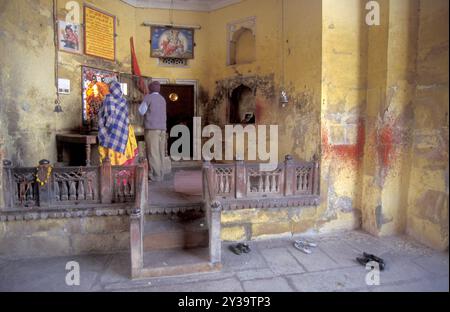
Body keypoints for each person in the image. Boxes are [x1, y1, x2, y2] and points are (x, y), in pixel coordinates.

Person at [98, 80, 138, 166]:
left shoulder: (108, 98)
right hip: (123, 132)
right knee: (123, 156)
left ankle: (111, 175)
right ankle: (123, 176)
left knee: (111, 157)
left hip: (111, 133)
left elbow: (108, 117)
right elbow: (125, 116)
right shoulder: (123, 100)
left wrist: (108, 127)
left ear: (110, 89)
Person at [138, 81, 167, 182]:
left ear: (150, 89)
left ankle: (155, 175)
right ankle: (161, 174)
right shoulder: (162, 99)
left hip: (152, 129)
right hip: (162, 129)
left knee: (153, 152)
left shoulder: (149, 97)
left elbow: (141, 111)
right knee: (160, 152)